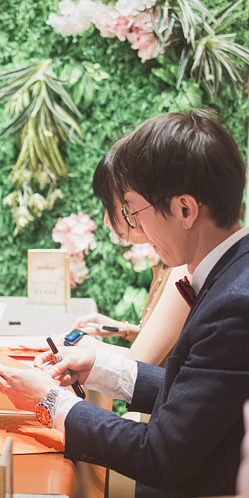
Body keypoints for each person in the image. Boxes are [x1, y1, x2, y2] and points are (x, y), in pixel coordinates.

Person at [0, 109, 249, 498]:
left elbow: (162, 452)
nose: (136, 227)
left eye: (134, 210)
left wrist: (50, 402)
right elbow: (203, 398)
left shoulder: (243, 305)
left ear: (185, 209)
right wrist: (101, 367)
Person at [68, 153, 190, 366]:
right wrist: (123, 329)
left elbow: (139, 366)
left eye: (125, 208)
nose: (107, 221)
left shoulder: (182, 266)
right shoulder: (172, 258)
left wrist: (73, 346)